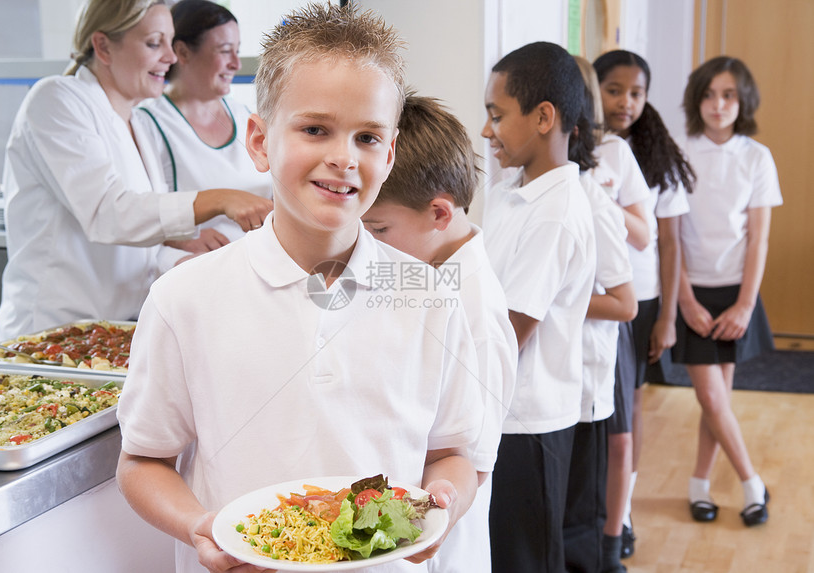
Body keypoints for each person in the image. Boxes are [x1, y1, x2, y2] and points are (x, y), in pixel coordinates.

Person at [116, 4, 485, 573]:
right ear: (261, 142)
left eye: (367, 137)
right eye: (316, 130)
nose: (343, 157)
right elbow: (142, 461)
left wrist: (445, 502)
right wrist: (199, 525)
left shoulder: (430, 297)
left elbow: (452, 452)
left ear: (388, 156)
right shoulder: (184, 298)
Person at [0, 0, 273, 342]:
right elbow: (108, 214)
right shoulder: (56, 99)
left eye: (171, 43)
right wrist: (219, 199)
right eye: (154, 43)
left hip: (112, 332)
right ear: (103, 46)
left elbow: (139, 249)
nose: (170, 58)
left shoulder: (137, 122)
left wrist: (204, 264)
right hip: (50, 332)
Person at [361, 93, 518, 573]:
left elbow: (470, 464)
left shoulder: (475, 314)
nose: (366, 244)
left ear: (439, 214)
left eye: (380, 229)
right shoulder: (426, 274)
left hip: (440, 549)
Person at [481, 42, 596, 573]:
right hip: (502, 414)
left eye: (496, 115)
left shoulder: (554, 213)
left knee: (526, 560)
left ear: (544, 116)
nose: (487, 130)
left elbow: (509, 332)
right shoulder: (512, 192)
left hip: (529, 424)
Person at [593, 49, 695, 558]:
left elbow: (671, 243)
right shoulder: (583, 147)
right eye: (614, 90)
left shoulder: (657, 157)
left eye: (636, 93)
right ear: (594, 89)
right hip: (593, 295)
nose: (625, 101)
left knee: (629, 411)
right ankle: (600, 510)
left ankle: (623, 511)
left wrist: (670, 317)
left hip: (644, 298)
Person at [676, 55, 780, 527]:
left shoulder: (756, 157)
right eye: (709, 94)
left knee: (716, 403)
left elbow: (759, 237)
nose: (718, 104)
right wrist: (685, 301)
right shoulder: (679, 151)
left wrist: (745, 303)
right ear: (697, 100)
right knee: (714, 401)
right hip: (691, 291)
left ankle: (699, 486)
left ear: (743, 101)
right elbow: (669, 236)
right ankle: (751, 484)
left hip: (736, 294)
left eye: (729, 95)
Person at [564, 57, 638, 573]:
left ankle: (610, 541)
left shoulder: (598, 180)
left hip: (594, 351)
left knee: (611, 440)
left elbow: (625, 296)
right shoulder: (516, 189)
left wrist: (551, 298)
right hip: (558, 367)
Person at [138, 0, 273, 270]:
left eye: (237, 51)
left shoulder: (245, 116)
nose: (236, 63)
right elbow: (136, 216)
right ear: (183, 52)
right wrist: (180, 239)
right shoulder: (148, 124)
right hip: (193, 267)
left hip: (258, 262)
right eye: (225, 51)